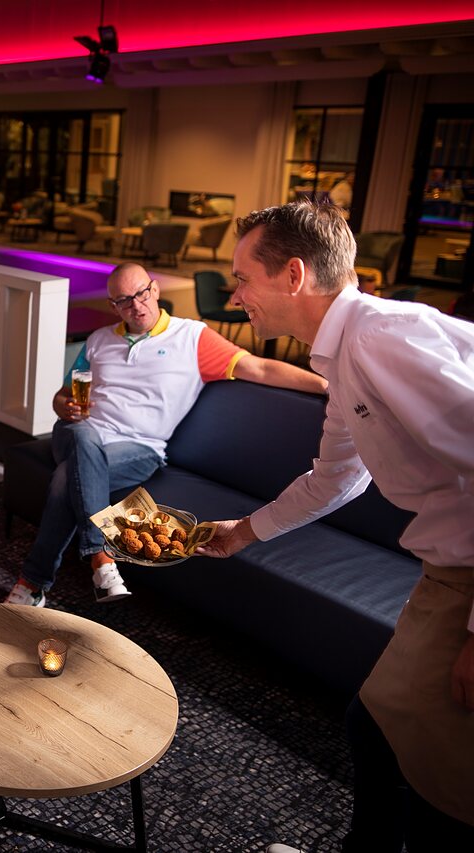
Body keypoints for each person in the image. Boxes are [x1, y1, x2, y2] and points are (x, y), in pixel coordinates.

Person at [194, 200, 474, 853]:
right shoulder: (346, 354)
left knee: (445, 786)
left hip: (466, 580)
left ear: (293, 275)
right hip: (446, 572)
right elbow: (337, 478)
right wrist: (243, 532)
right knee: (374, 729)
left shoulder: (381, 338)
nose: (234, 297)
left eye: (243, 278)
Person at [5, 262, 328, 607]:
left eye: (142, 293)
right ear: (114, 306)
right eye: (124, 300)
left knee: (66, 476)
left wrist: (326, 384)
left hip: (138, 449)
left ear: (155, 289)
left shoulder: (192, 338)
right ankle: (100, 556)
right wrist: (62, 406)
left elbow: (259, 367)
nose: (136, 305)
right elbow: (64, 395)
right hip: (77, 434)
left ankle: (33, 583)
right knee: (83, 435)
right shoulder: (99, 340)